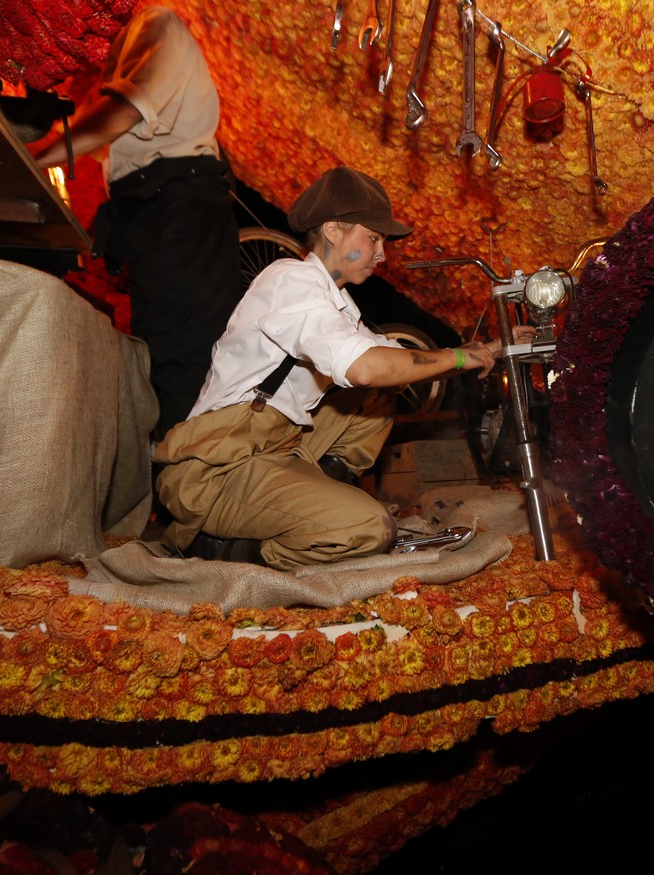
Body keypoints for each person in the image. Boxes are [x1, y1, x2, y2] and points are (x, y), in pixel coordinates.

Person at [153, 165, 526, 570]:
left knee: (381, 391)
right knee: (368, 530)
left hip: (278, 447)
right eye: (373, 238)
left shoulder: (338, 306)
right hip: (219, 467)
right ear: (332, 231)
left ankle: (319, 500)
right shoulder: (290, 281)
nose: (382, 254)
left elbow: (393, 362)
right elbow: (365, 367)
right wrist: (459, 357)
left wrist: (488, 350)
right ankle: (213, 547)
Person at [29, 5, 241, 439]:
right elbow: (105, 121)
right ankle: (172, 464)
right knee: (161, 351)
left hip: (178, 212)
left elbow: (124, 110)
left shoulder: (157, 21)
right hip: (161, 213)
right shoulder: (126, 50)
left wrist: (36, 156)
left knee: (182, 355)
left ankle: (188, 471)